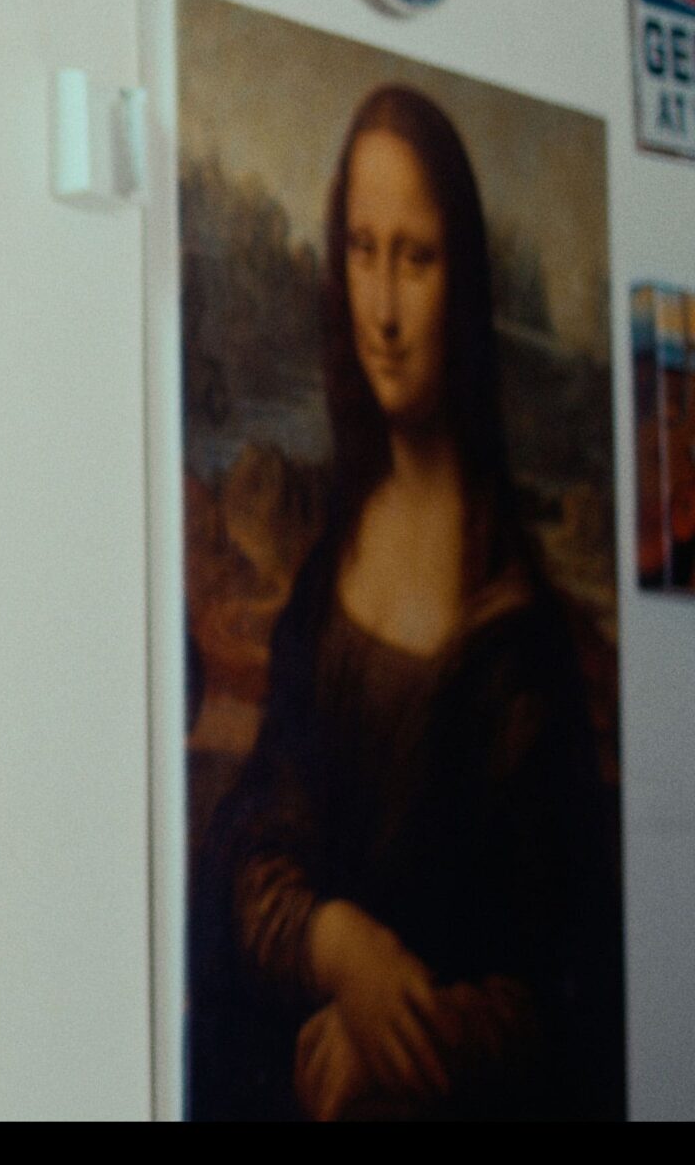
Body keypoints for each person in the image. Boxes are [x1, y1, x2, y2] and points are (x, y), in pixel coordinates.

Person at [190, 85, 622, 1120]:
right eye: (362, 251)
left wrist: (405, 1038)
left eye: (416, 260)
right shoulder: (331, 568)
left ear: (460, 283)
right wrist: (335, 945)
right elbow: (258, 836)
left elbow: (567, 981)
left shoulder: (519, 638)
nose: (381, 310)